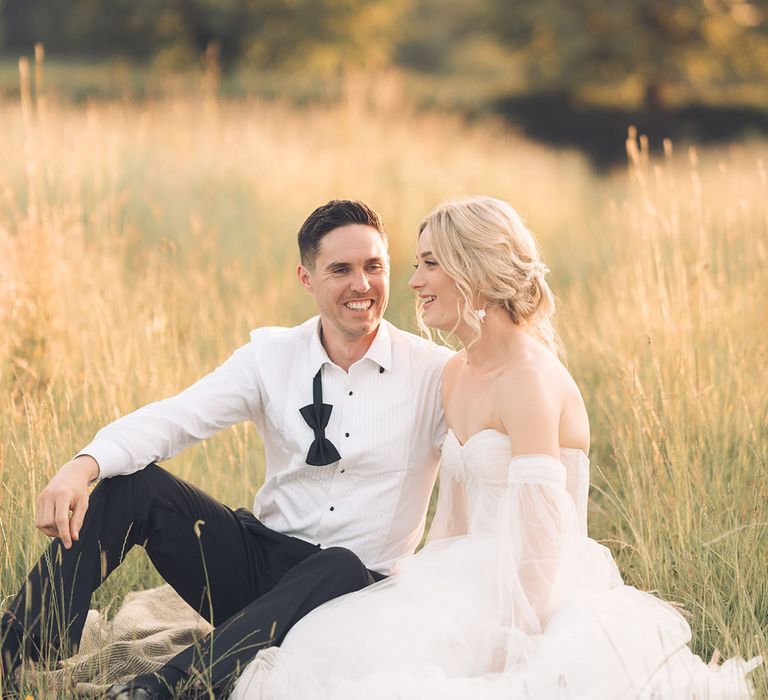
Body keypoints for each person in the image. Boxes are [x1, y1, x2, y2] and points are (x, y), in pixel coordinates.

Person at [231, 196, 761, 699]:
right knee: (316, 649)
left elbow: (543, 538)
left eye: (430, 264)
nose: (414, 282)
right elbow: (453, 521)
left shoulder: (529, 379)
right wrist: (413, 591)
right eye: (416, 264)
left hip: (536, 588)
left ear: (475, 271)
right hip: (463, 579)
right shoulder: (456, 372)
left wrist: (513, 642)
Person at [0, 200, 452, 699]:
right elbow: (176, 416)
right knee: (136, 485)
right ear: (306, 277)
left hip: (357, 592)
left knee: (340, 563)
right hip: (261, 566)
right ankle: (13, 648)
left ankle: (161, 690)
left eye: (374, 267)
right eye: (340, 269)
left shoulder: (434, 374)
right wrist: (80, 466)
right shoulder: (271, 356)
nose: (362, 285)